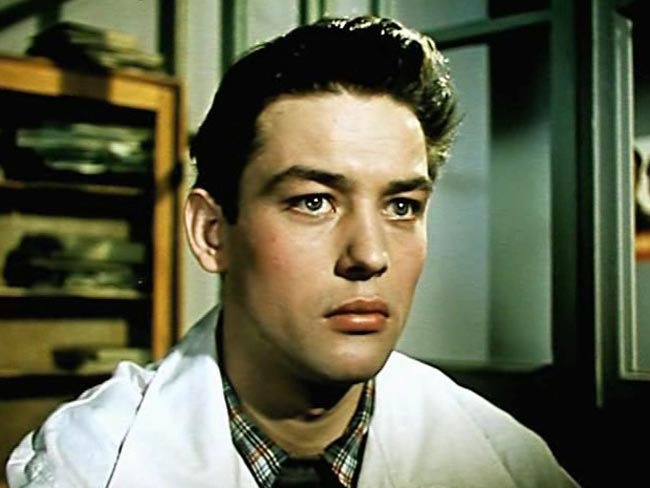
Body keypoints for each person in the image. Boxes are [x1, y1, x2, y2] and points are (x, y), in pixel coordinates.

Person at [6, 16, 579, 488]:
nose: (369, 255)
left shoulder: (509, 464)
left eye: (401, 206)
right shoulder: (81, 467)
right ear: (212, 232)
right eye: (313, 202)